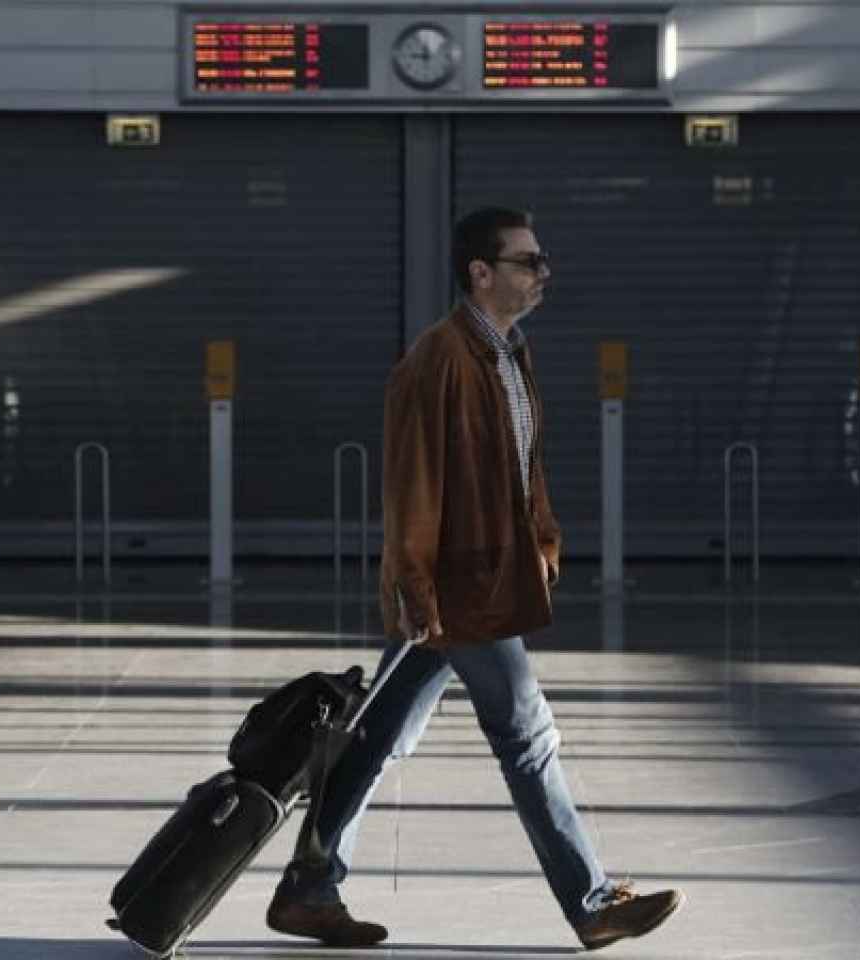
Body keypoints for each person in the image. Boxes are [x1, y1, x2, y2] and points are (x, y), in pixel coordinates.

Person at [265, 207, 684, 951]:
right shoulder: (438, 360)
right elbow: (412, 486)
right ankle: (590, 904)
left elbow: (523, 466)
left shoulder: (507, 353)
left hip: (481, 579)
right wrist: (417, 589)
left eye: (542, 258)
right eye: (527, 261)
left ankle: (309, 890)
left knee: (376, 740)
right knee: (528, 738)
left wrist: (543, 537)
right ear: (480, 273)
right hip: (457, 591)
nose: (542, 271)